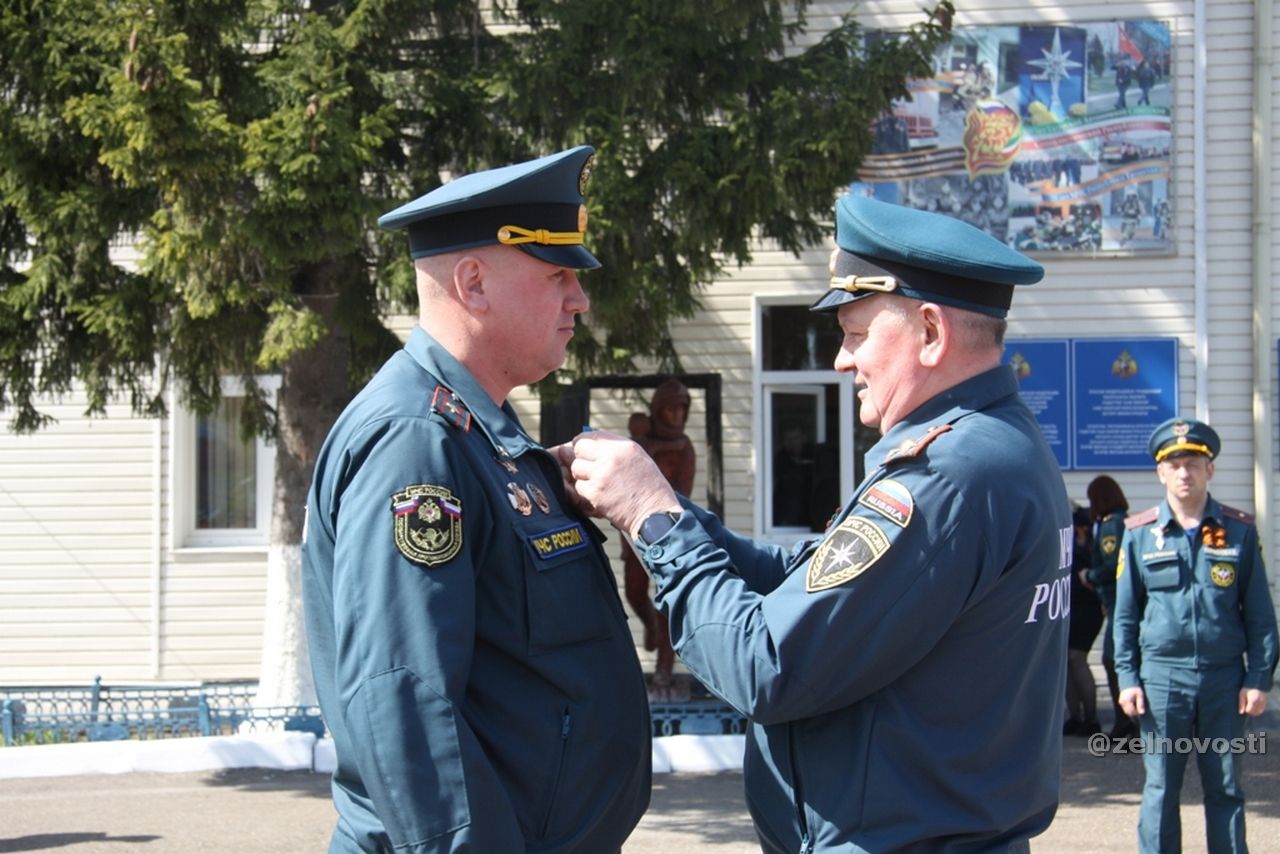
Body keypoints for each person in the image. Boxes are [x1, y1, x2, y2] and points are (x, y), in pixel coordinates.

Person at [558, 193, 1071, 851]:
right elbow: (808, 583)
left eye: (857, 334)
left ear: (933, 333)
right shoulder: (990, 445)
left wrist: (654, 521)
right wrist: (666, 505)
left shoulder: (945, 477)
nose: (842, 360)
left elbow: (766, 665)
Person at [300, 146, 651, 853]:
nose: (578, 298)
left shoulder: (480, 437)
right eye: (556, 275)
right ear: (473, 283)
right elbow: (402, 698)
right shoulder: (413, 442)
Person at [1113, 417, 1279, 854]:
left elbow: (1260, 615)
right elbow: (1125, 616)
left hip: (1224, 681)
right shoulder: (1140, 535)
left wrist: (1259, 678)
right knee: (1161, 788)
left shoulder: (1239, 532)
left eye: (1194, 463)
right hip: (1163, 681)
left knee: (1225, 787)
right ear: (1161, 473)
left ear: (1210, 470)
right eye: (1175, 464)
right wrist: (1127, 679)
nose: (1185, 472)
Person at [622, 379, 696, 700]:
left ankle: (664, 670)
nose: (677, 415)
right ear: (657, 410)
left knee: (667, 598)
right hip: (633, 526)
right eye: (670, 408)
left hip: (668, 530)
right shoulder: (641, 442)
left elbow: (682, 493)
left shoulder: (685, 447)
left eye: (682, 408)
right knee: (634, 592)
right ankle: (650, 625)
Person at [1084, 473, 1136, 741]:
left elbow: (1112, 565)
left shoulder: (1110, 526)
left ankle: (1125, 724)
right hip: (1119, 601)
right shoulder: (1122, 521)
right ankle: (1126, 723)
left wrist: (1088, 576)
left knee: (1113, 659)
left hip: (1119, 601)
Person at [1065, 505, 1104, 736]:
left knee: (1076, 658)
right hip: (1065, 602)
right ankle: (1075, 717)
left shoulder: (1085, 522)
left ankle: (1091, 719)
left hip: (1086, 604)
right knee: (1067, 662)